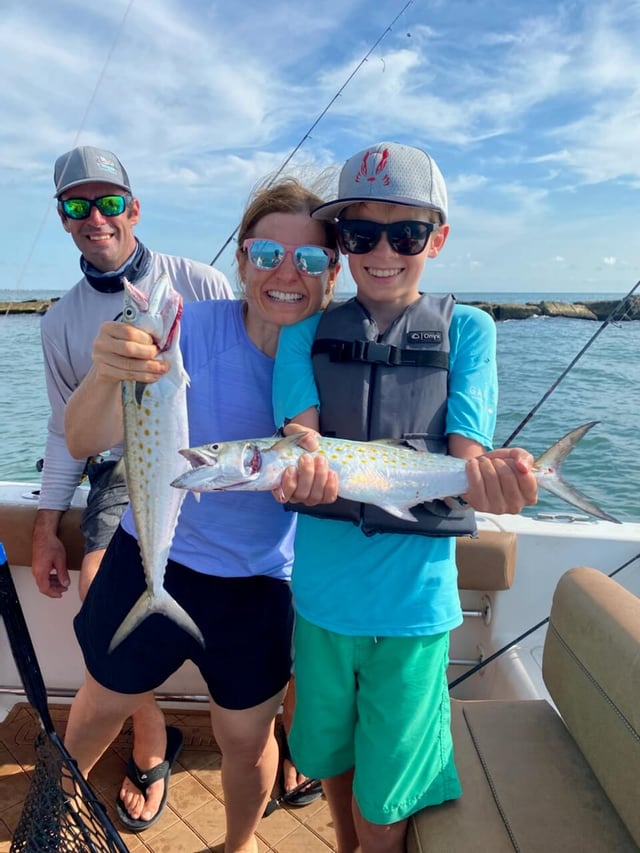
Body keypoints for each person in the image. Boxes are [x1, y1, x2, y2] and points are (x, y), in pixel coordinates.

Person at [272, 141, 539, 853]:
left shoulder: (469, 330)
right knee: (329, 755)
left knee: (384, 804)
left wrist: (496, 484)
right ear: (341, 243)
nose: (382, 251)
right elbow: (301, 438)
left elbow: (467, 454)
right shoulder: (302, 336)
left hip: (415, 611)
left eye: (407, 233)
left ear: (437, 239)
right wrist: (294, 466)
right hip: (321, 603)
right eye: (360, 234)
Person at [61, 176, 340, 852]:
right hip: (152, 551)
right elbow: (82, 439)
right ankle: (60, 805)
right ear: (240, 260)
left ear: (333, 272)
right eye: (267, 252)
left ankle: (238, 842)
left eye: (309, 260)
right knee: (100, 702)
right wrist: (106, 372)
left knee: (246, 739)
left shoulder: (342, 357)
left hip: (258, 583)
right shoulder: (180, 328)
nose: (285, 274)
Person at [32, 144, 233, 829]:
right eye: (78, 206)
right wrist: (44, 523)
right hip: (121, 467)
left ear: (134, 208)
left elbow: (246, 371)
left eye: (110, 202)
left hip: (209, 455)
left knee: (282, 575)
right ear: (63, 219)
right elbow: (67, 435)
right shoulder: (59, 321)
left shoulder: (199, 281)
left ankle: (290, 736)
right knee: (100, 584)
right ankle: (151, 737)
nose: (96, 218)